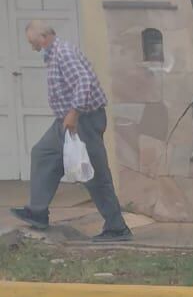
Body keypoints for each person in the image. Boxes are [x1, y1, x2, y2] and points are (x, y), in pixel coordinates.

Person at [8, 21, 130, 242]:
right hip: (66, 121)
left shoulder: (64, 53)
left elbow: (84, 81)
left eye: (33, 42)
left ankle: (117, 228)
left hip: (83, 120)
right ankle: (38, 212)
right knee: (43, 153)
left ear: (44, 36)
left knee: (94, 174)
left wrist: (74, 112)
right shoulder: (53, 54)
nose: (32, 47)